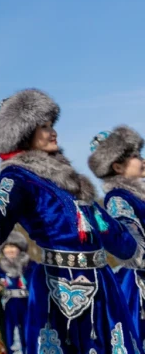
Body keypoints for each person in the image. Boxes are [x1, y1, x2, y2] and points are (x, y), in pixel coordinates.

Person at [0, 89, 143, 353]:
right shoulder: (18, 176)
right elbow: (0, 204)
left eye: (51, 125)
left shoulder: (73, 182)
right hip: (60, 288)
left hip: (104, 285)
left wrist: (132, 246)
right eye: (44, 126)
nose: (53, 131)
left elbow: (110, 230)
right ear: (23, 134)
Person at [88, 126, 145, 342]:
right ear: (118, 166)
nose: (143, 160)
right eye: (136, 156)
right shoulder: (119, 199)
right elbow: (129, 243)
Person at [0, 231, 34, 354]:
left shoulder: (29, 266)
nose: (10, 250)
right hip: (7, 307)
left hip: (27, 305)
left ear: (20, 248)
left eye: (13, 247)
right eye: (7, 247)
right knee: (9, 334)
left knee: (28, 332)